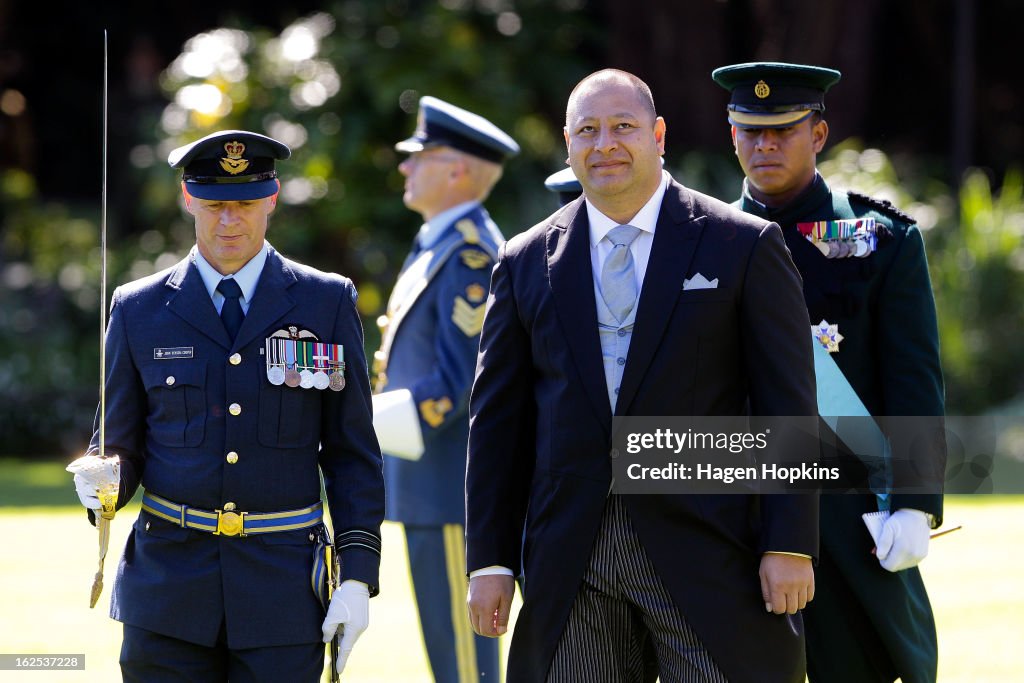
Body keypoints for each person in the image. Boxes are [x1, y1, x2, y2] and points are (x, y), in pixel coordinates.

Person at [465, 68, 820, 683]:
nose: (605, 144)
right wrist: (490, 560)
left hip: (710, 549)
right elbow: (497, 422)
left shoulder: (743, 244)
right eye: (587, 131)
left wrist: (789, 544)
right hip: (571, 557)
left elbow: (787, 404)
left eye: (623, 127)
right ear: (568, 143)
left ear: (658, 134)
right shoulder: (523, 260)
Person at [69, 129, 385, 682]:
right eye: (214, 205)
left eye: (243, 205)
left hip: (283, 596)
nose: (228, 221)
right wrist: (102, 482)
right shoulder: (139, 308)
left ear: (273, 198)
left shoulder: (324, 301)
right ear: (188, 200)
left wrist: (357, 576)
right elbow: (119, 446)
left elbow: (351, 453)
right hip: (167, 596)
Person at [712, 62, 946, 683]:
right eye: (749, 131)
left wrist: (916, 504)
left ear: (818, 134)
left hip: (845, 517)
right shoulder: (700, 240)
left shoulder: (881, 239)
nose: (764, 145)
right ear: (730, 134)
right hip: (732, 512)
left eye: (783, 130)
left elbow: (913, 376)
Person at [371, 96, 518, 683]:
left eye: (419, 157)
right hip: (430, 481)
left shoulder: (470, 254)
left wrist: (364, 423)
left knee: (465, 661)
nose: (405, 168)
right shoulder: (441, 242)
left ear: (457, 169)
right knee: (450, 656)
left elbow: (455, 385)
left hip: (452, 485)